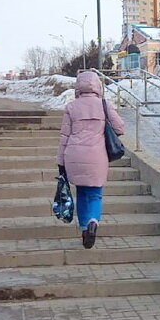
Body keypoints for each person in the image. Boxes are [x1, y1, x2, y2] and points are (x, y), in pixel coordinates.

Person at [56, 71, 125, 249]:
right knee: (95, 194)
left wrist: (60, 162)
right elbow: (119, 128)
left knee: (81, 193)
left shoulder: (71, 107)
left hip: (74, 155)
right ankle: (94, 221)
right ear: (97, 86)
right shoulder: (104, 104)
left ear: (78, 87)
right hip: (97, 155)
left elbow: (64, 136)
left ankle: (85, 227)